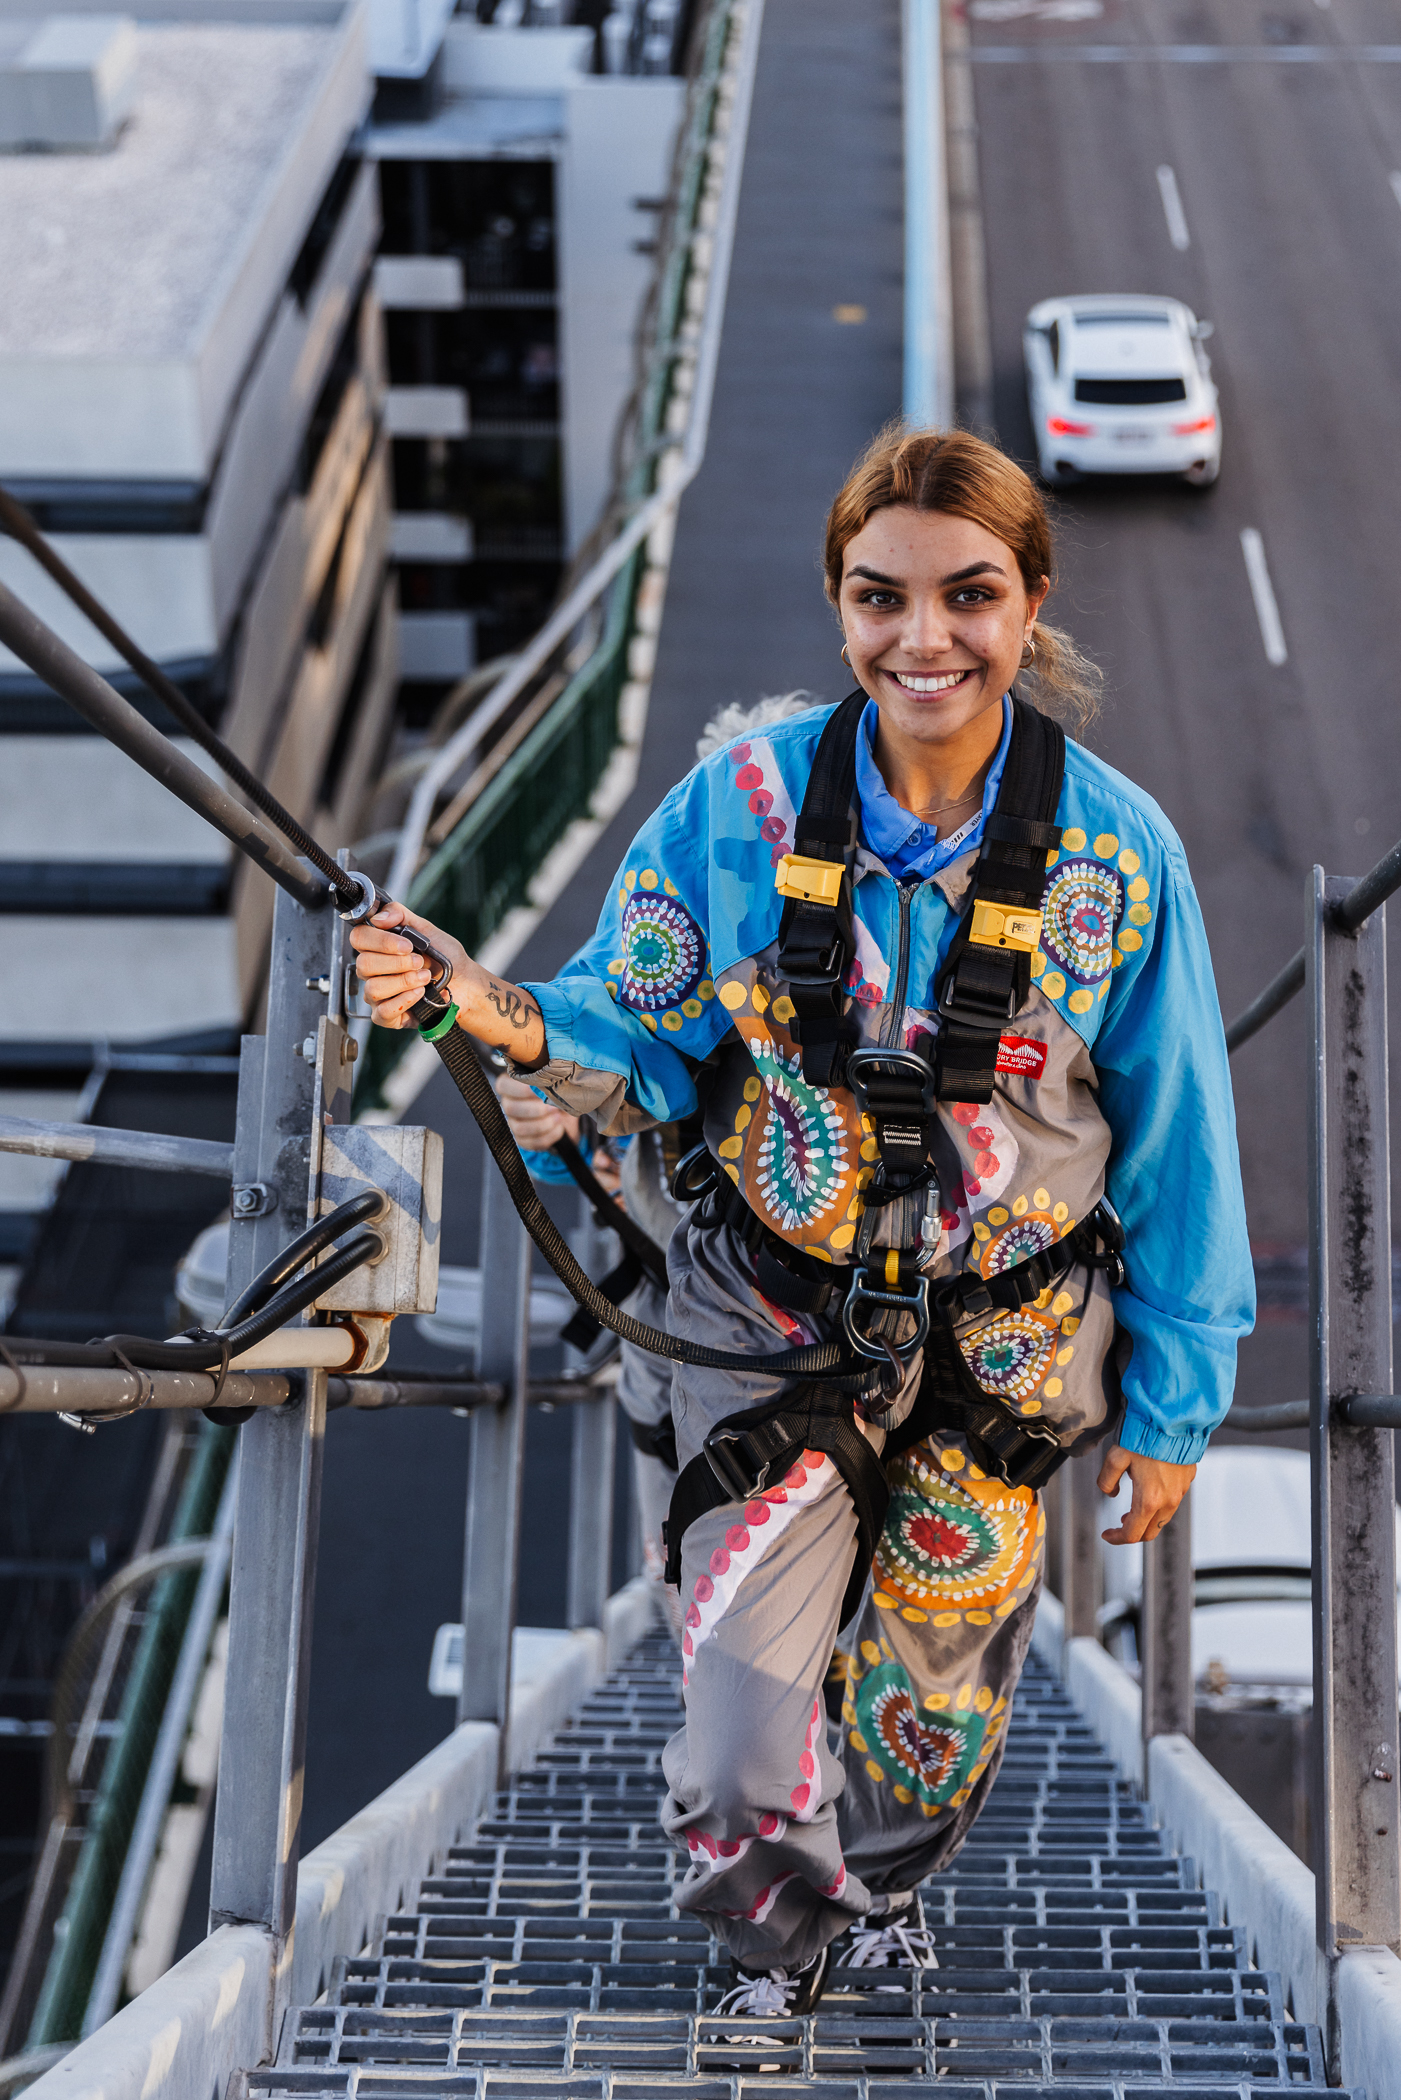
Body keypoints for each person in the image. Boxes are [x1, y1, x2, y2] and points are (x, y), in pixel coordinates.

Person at [351, 426, 1254, 2016]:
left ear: (1030, 602)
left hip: (1002, 1352)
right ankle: (780, 1947)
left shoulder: (1118, 856)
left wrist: (1173, 1405)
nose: (923, 638)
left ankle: (881, 1895)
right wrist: (473, 999)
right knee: (737, 1745)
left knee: (930, 1715)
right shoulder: (739, 812)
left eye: (968, 595)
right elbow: (629, 1028)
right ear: (838, 606)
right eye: (879, 596)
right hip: (767, 1332)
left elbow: (1178, 1141)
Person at [494, 694, 815, 1632]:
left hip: (776, 1329)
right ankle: (710, 1664)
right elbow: (582, 1138)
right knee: (699, 1554)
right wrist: (546, 1127)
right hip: (682, 1323)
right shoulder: (647, 963)